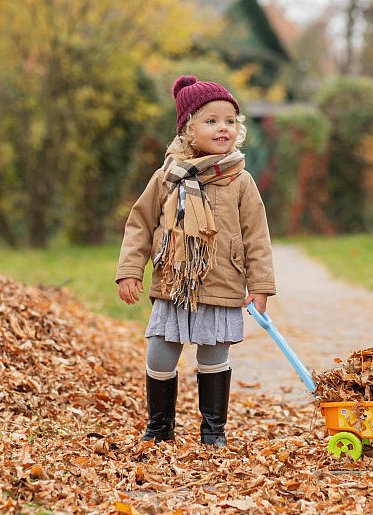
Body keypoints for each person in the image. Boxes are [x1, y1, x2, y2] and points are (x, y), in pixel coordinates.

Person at [116, 75, 276, 448]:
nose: (223, 127)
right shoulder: (167, 178)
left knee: (214, 354)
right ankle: (159, 427)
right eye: (211, 120)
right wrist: (129, 271)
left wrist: (261, 287)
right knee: (160, 350)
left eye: (230, 121)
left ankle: (213, 431)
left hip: (221, 281)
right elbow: (140, 225)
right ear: (188, 130)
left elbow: (256, 237)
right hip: (174, 283)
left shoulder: (241, 180)